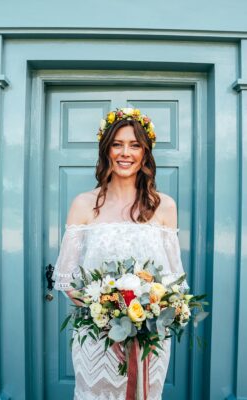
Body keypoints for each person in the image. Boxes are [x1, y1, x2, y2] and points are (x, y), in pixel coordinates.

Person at [53, 108, 189, 400]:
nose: (125, 153)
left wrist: (145, 317)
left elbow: (173, 281)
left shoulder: (165, 206)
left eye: (135, 145)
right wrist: (109, 311)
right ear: (106, 151)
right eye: (117, 144)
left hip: (149, 340)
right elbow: (67, 281)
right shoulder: (83, 204)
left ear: (145, 153)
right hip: (98, 340)